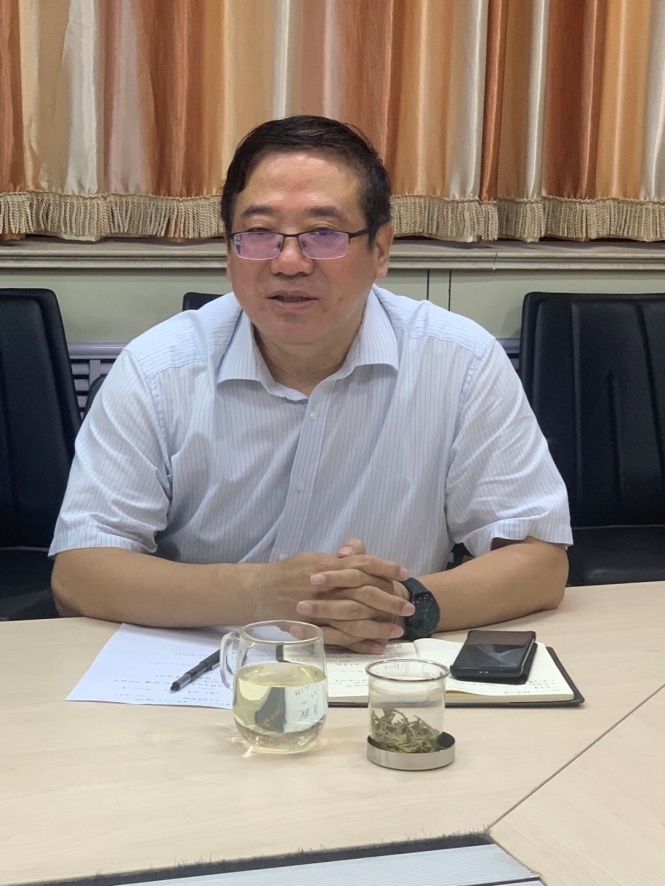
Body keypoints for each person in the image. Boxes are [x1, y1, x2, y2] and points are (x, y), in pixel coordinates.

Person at [51, 115, 572, 653]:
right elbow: (80, 573)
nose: (289, 262)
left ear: (381, 250)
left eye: (324, 234)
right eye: (259, 233)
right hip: (209, 665)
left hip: (390, 663)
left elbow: (539, 561)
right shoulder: (156, 369)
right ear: (229, 251)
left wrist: (401, 606)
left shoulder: (461, 361)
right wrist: (260, 593)